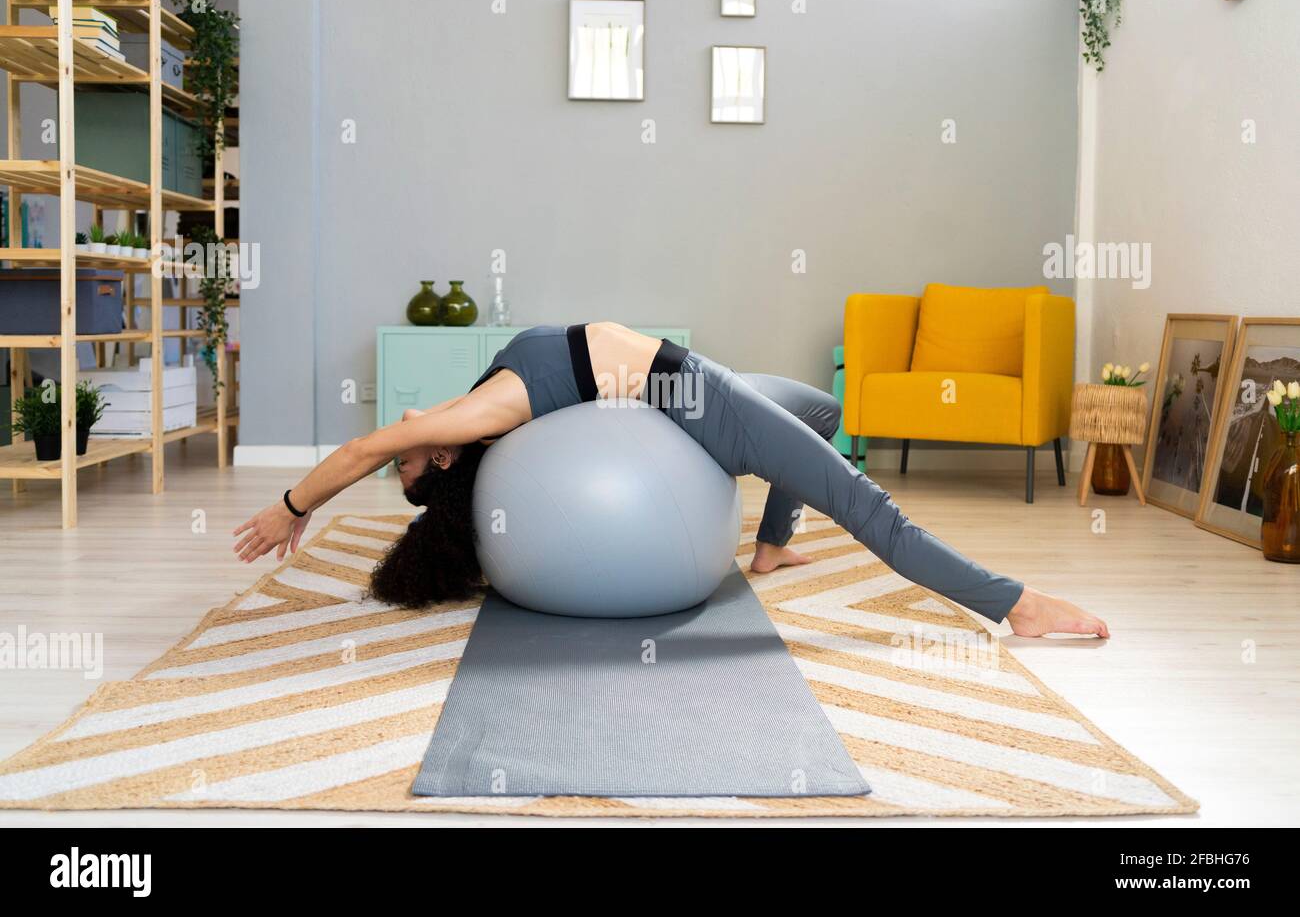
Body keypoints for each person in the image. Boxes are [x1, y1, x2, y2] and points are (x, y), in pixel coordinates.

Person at [233, 322, 1109, 638]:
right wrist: (288, 507)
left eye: (406, 454)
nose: (404, 444)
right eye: (410, 461)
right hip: (694, 402)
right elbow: (355, 451)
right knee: (864, 500)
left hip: (690, 385)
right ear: (445, 459)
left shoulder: (495, 389)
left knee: (821, 412)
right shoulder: (465, 423)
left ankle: (769, 550)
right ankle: (1013, 603)